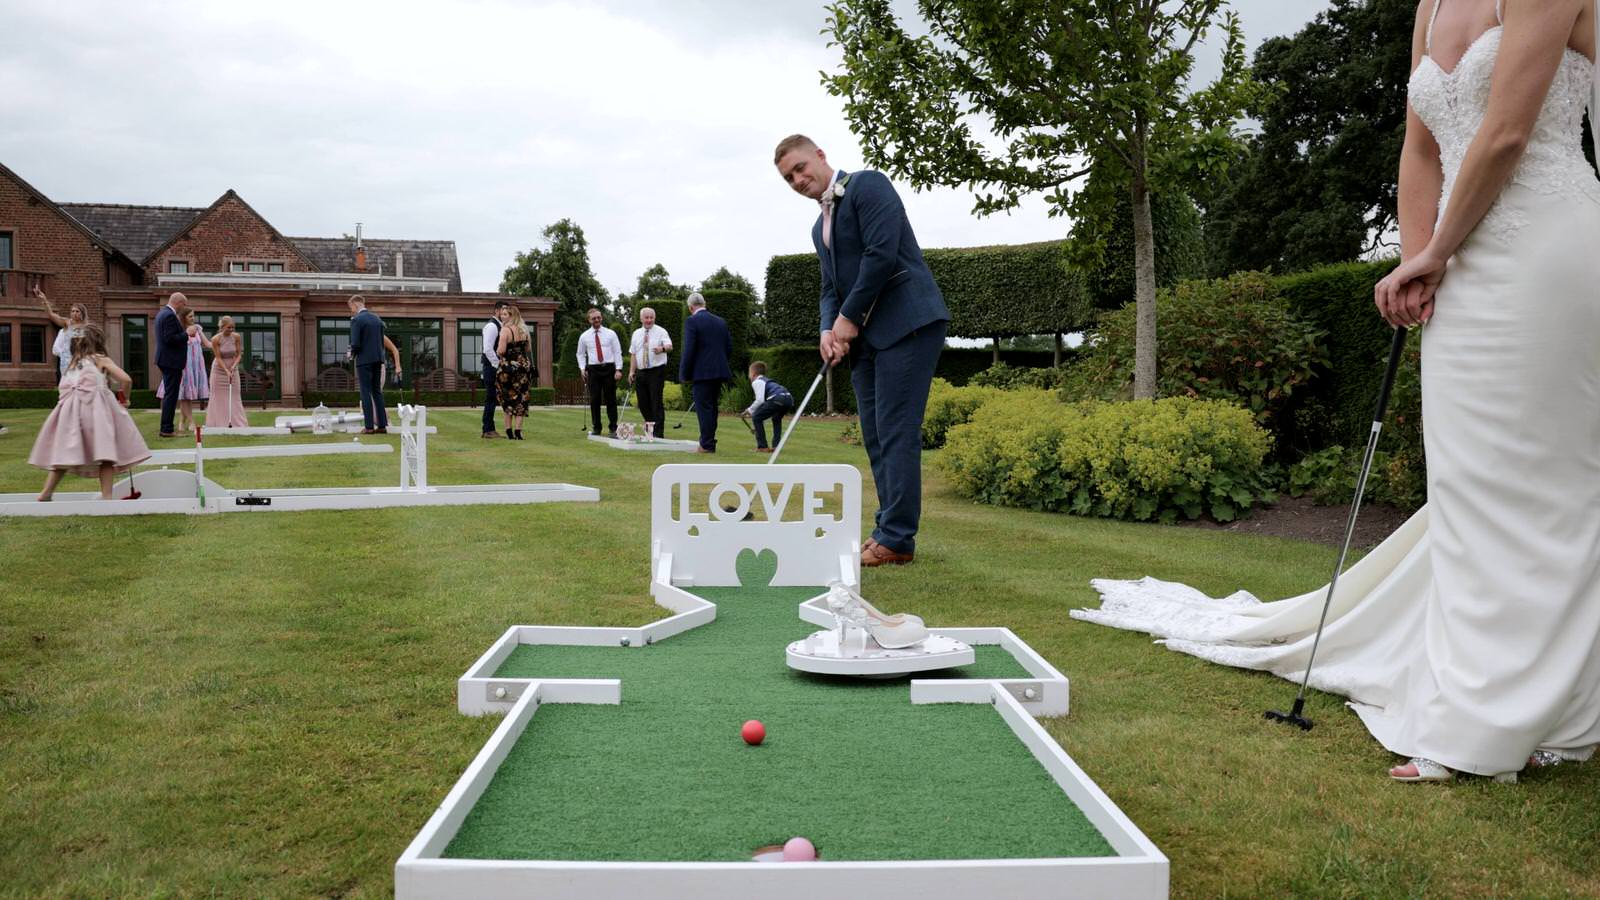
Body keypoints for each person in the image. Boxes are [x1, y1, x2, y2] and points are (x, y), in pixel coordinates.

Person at [1074, 0, 1600, 784]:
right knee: (1469, 484)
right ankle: (1499, 700)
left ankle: (1531, 718)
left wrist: (1435, 254)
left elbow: (1506, 133)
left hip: (1546, 252)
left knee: (1551, 486)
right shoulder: (1431, 5)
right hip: (1460, 266)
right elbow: (1421, 151)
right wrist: (1420, 258)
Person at [774, 134, 950, 566]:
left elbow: (881, 254)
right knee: (873, 434)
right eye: (788, 178)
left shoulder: (869, 185)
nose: (798, 179)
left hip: (906, 323)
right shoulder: (820, 227)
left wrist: (848, 318)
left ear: (820, 156)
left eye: (800, 168)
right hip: (868, 340)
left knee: (895, 430)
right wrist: (826, 328)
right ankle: (885, 530)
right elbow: (829, 288)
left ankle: (897, 540)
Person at [29, 324, 150, 500]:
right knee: (106, 453)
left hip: (69, 414)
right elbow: (126, 380)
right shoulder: (100, 359)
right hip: (96, 413)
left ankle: (46, 492)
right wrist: (125, 399)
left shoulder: (72, 364)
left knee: (63, 455)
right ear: (98, 342)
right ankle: (107, 497)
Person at [678, 292, 733, 453]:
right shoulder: (721, 321)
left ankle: (706, 444)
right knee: (712, 408)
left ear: (690, 307)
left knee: (704, 409)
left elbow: (689, 350)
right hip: (719, 370)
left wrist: (684, 374)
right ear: (704, 303)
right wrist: (720, 363)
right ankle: (709, 441)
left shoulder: (692, 321)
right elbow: (729, 347)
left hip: (701, 373)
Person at [156, 309, 209, 433]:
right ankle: (191, 422)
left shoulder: (197, 329)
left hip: (196, 366)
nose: (193, 318)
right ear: (184, 317)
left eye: (193, 316)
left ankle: (181, 423)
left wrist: (220, 344)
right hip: (184, 365)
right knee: (185, 395)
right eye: (190, 316)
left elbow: (207, 343)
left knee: (187, 395)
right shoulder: (179, 330)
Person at [576, 307, 623, 437]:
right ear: (589, 320)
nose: (597, 320)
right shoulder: (584, 336)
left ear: (601, 318)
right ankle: (597, 428)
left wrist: (618, 369)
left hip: (609, 368)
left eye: (598, 317)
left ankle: (613, 428)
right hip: (593, 370)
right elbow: (580, 354)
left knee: (611, 399)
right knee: (595, 400)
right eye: (594, 318)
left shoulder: (611, 333)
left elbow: (617, 351)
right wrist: (582, 368)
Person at [627, 306, 673, 437]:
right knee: (643, 402)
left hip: (656, 371)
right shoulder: (636, 333)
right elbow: (633, 354)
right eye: (646, 317)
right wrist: (631, 372)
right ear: (641, 318)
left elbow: (670, 346)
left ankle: (658, 433)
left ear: (654, 318)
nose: (649, 320)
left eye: (651, 317)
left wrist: (662, 349)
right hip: (641, 372)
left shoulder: (661, 331)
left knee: (656, 401)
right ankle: (649, 427)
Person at [347, 295, 388, 434]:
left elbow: (356, 343)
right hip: (378, 359)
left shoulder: (357, 320)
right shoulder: (377, 319)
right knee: (377, 392)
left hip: (364, 360)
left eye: (351, 307)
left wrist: (351, 354)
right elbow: (381, 342)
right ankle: (382, 425)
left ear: (355, 304)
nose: (351, 310)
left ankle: (369, 426)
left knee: (365, 392)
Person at [153, 292, 190, 438]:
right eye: (184, 304)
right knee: (171, 395)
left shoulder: (162, 314)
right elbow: (169, 339)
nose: (184, 307)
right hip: (171, 361)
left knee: (170, 394)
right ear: (178, 302)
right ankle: (167, 429)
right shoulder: (169, 315)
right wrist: (187, 333)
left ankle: (166, 428)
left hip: (166, 360)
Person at [496, 303, 534, 440]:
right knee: (521, 399)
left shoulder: (505, 330)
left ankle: (509, 431)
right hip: (523, 368)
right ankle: (518, 431)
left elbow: (501, 351)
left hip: (509, 368)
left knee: (508, 399)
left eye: (505, 314)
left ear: (511, 315)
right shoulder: (524, 330)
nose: (502, 316)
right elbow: (528, 349)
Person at [741, 361, 795, 453]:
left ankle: (762, 447)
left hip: (777, 398)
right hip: (788, 399)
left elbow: (760, 400)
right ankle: (776, 446)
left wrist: (749, 410)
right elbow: (765, 406)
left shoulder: (757, 382)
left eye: (749, 373)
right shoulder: (767, 380)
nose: (749, 376)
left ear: (753, 373)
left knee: (756, 418)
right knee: (776, 419)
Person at [205, 316, 249, 428]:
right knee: (217, 396)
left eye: (233, 327)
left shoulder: (236, 337)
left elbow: (239, 354)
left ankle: (238, 424)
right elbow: (218, 357)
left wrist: (234, 366)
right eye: (229, 327)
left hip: (233, 369)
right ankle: (217, 423)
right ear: (222, 327)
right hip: (219, 370)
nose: (231, 330)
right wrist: (225, 370)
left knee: (234, 396)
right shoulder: (215, 339)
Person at [36, 285, 85, 382]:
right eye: (72, 311)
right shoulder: (67, 323)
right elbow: (51, 315)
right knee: (67, 386)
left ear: (82, 313)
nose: (74, 313)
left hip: (81, 360)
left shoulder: (87, 328)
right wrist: (44, 300)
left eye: (77, 311)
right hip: (66, 361)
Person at [480, 300, 509, 438]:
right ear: (497, 311)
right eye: (503, 311)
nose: (506, 313)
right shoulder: (492, 326)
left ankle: (489, 429)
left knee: (492, 398)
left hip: (493, 367)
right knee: (490, 398)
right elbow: (487, 349)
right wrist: (497, 365)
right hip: (491, 367)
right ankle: (487, 430)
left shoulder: (500, 326)